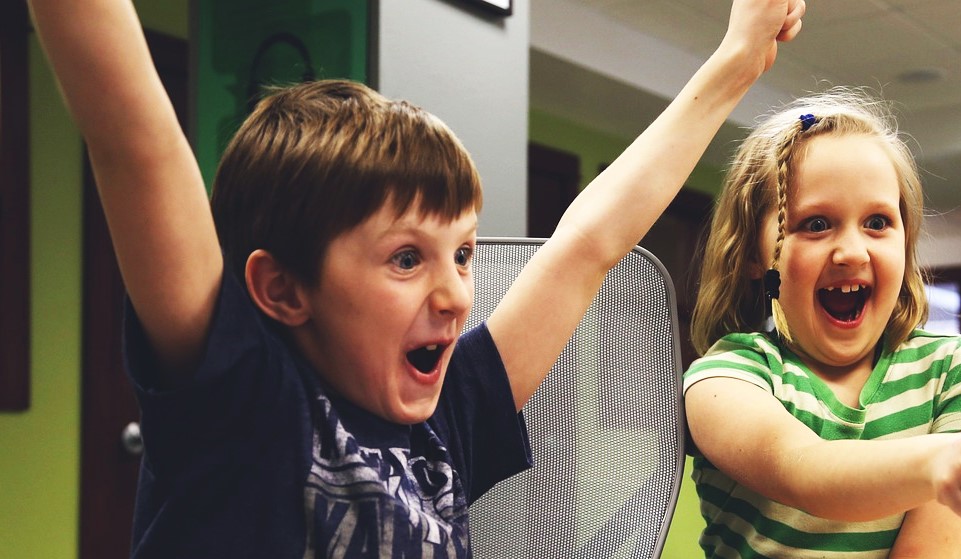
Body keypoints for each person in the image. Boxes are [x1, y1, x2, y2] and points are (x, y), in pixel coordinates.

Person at [28, 0, 804, 556]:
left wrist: (737, 60)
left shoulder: (450, 412)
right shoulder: (242, 397)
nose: (456, 295)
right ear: (283, 290)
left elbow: (588, 242)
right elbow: (133, 140)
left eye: (461, 254)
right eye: (407, 258)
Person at [685, 87, 961, 558]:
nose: (852, 252)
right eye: (816, 224)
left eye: (877, 222)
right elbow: (804, 470)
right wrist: (939, 461)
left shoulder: (947, 369)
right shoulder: (727, 378)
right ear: (752, 255)